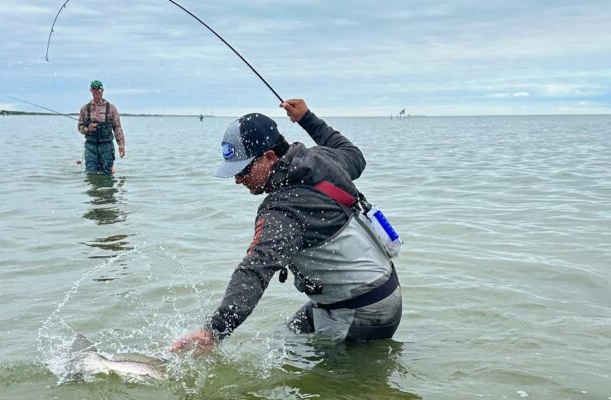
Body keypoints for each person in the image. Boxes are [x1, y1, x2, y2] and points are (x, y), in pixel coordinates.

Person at [171, 99, 402, 354]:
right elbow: (354, 156)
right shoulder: (318, 158)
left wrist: (213, 331)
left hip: (361, 312)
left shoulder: (284, 209)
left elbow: (255, 269)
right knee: (285, 342)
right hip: (382, 291)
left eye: (243, 171)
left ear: (269, 157)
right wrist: (307, 118)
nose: (237, 180)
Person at [77, 80, 126, 174]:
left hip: (106, 146)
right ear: (91, 91)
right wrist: (88, 129)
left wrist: (121, 145)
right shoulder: (85, 109)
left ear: (102, 90)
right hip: (90, 146)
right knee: (91, 174)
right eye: (94, 89)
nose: (96, 92)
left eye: (98, 89)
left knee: (107, 174)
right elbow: (80, 127)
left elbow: (117, 127)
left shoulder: (111, 108)